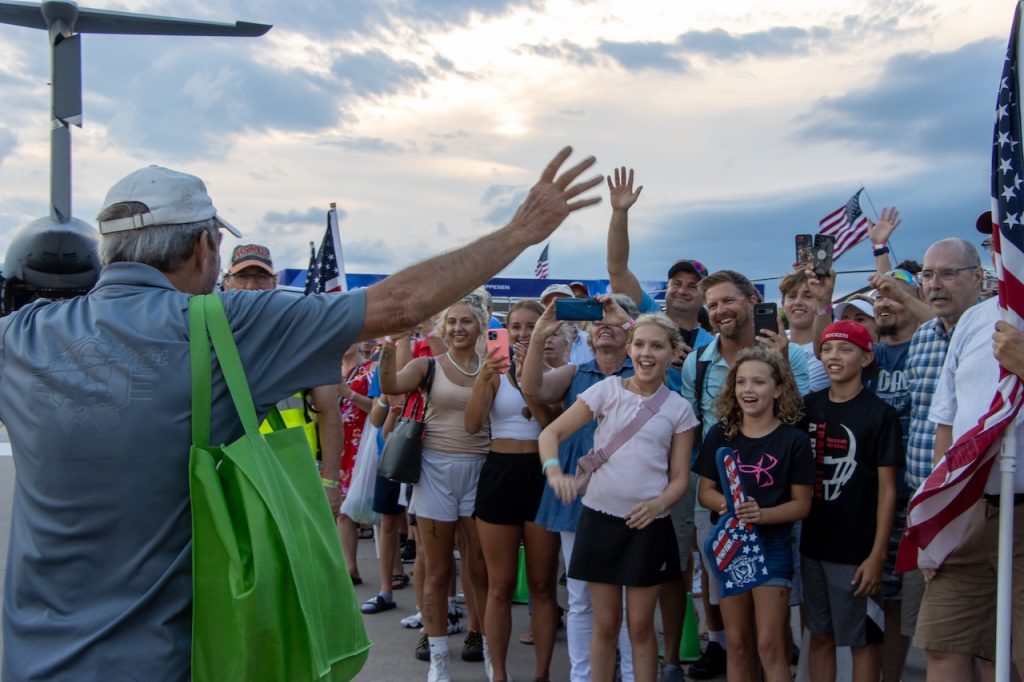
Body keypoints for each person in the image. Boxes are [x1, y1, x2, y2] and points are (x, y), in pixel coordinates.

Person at [0, 149, 602, 681]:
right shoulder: (229, 324)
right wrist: (520, 230)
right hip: (176, 653)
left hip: (33, 657)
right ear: (204, 246)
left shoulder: (20, 337)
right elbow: (402, 305)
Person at [542, 312, 697, 682]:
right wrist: (553, 471)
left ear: (673, 353)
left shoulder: (679, 409)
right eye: (640, 344)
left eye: (657, 346)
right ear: (630, 349)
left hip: (648, 527)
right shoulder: (605, 391)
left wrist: (659, 505)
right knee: (605, 624)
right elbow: (550, 434)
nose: (647, 353)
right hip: (598, 520)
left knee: (641, 627)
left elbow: (679, 479)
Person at [603, 167, 713, 681]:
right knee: (653, 564)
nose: (685, 291)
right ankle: (655, 656)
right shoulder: (650, 320)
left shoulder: (718, 340)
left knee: (691, 564)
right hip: (640, 461)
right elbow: (618, 268)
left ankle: (688, 652)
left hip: (693, 468)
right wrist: (620, 214)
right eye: (678, 283)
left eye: (695, 286)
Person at [681, 269, 810, 680]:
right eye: (712, 304)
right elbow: (704, 484)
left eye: (727, 300)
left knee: (771, 643)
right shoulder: (700, 372)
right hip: (726, 535)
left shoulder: (791, 432)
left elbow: (801, 499)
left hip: (774, 538)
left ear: (753, 300)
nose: (719, 310)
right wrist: (729, 506)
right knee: (736, 641)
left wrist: (759, 515)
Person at [522, 293, 641, 682]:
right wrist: (540, 334)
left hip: (629, 493)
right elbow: (534, 389)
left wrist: (625, 321)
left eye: (614, 318)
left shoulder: (645, 371)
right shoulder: (576, 373)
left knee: (627, 597)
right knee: (580, 597)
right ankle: (582, 675)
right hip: (578, 494)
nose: (605, 324)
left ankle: (627, 674)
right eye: (598, 318)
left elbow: (661, 355)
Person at [378, 296, 493, 682]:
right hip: (434, 470)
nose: (459, 328)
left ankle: (486, 645)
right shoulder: (428, 365)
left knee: (479, 568)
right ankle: (439, 659)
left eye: (467, 321)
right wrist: (390, 346)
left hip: (480, 469)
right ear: (443, 329)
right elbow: (391, 384)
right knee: (438, 569)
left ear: (480, 326)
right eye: (452, 322)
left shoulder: (493, 367)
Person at [915, 293, 1024, 679]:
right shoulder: (977, 318)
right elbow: (947, 420)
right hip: (969, 509)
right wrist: (941, 512)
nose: (1002, 246)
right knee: (945, 644)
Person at [897, 237, 982, 680]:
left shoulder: (1002, 330)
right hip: (928, 505)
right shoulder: (925, 336)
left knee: (992, 648)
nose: (935, 284)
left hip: (986, 506)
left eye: (948, 273)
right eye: (928, 275)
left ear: (978, 277)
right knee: (938, 644)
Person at [464, 300, 561, 682]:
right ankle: (499, 674)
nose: (521, 334)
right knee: (499, 584)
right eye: (515, 327)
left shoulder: (556, 374)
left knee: (541, 583)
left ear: (544, 330)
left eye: (530, 326)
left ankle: (542, 674)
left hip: (541, 473)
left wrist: (527, 382)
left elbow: (553, 425)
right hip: (499, 471)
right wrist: (482, 379)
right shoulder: (492, 372)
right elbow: (473, 426)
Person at [800, 321, 903, 682]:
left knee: (863, 641)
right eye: (827, 348)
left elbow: (888, 489)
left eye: (845, 349)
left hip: (857, 550)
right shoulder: (806, 408)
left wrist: (877, 556)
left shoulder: (880, 414)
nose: (834, 356)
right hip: (811, 546)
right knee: (820, 635)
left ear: (866, 356)